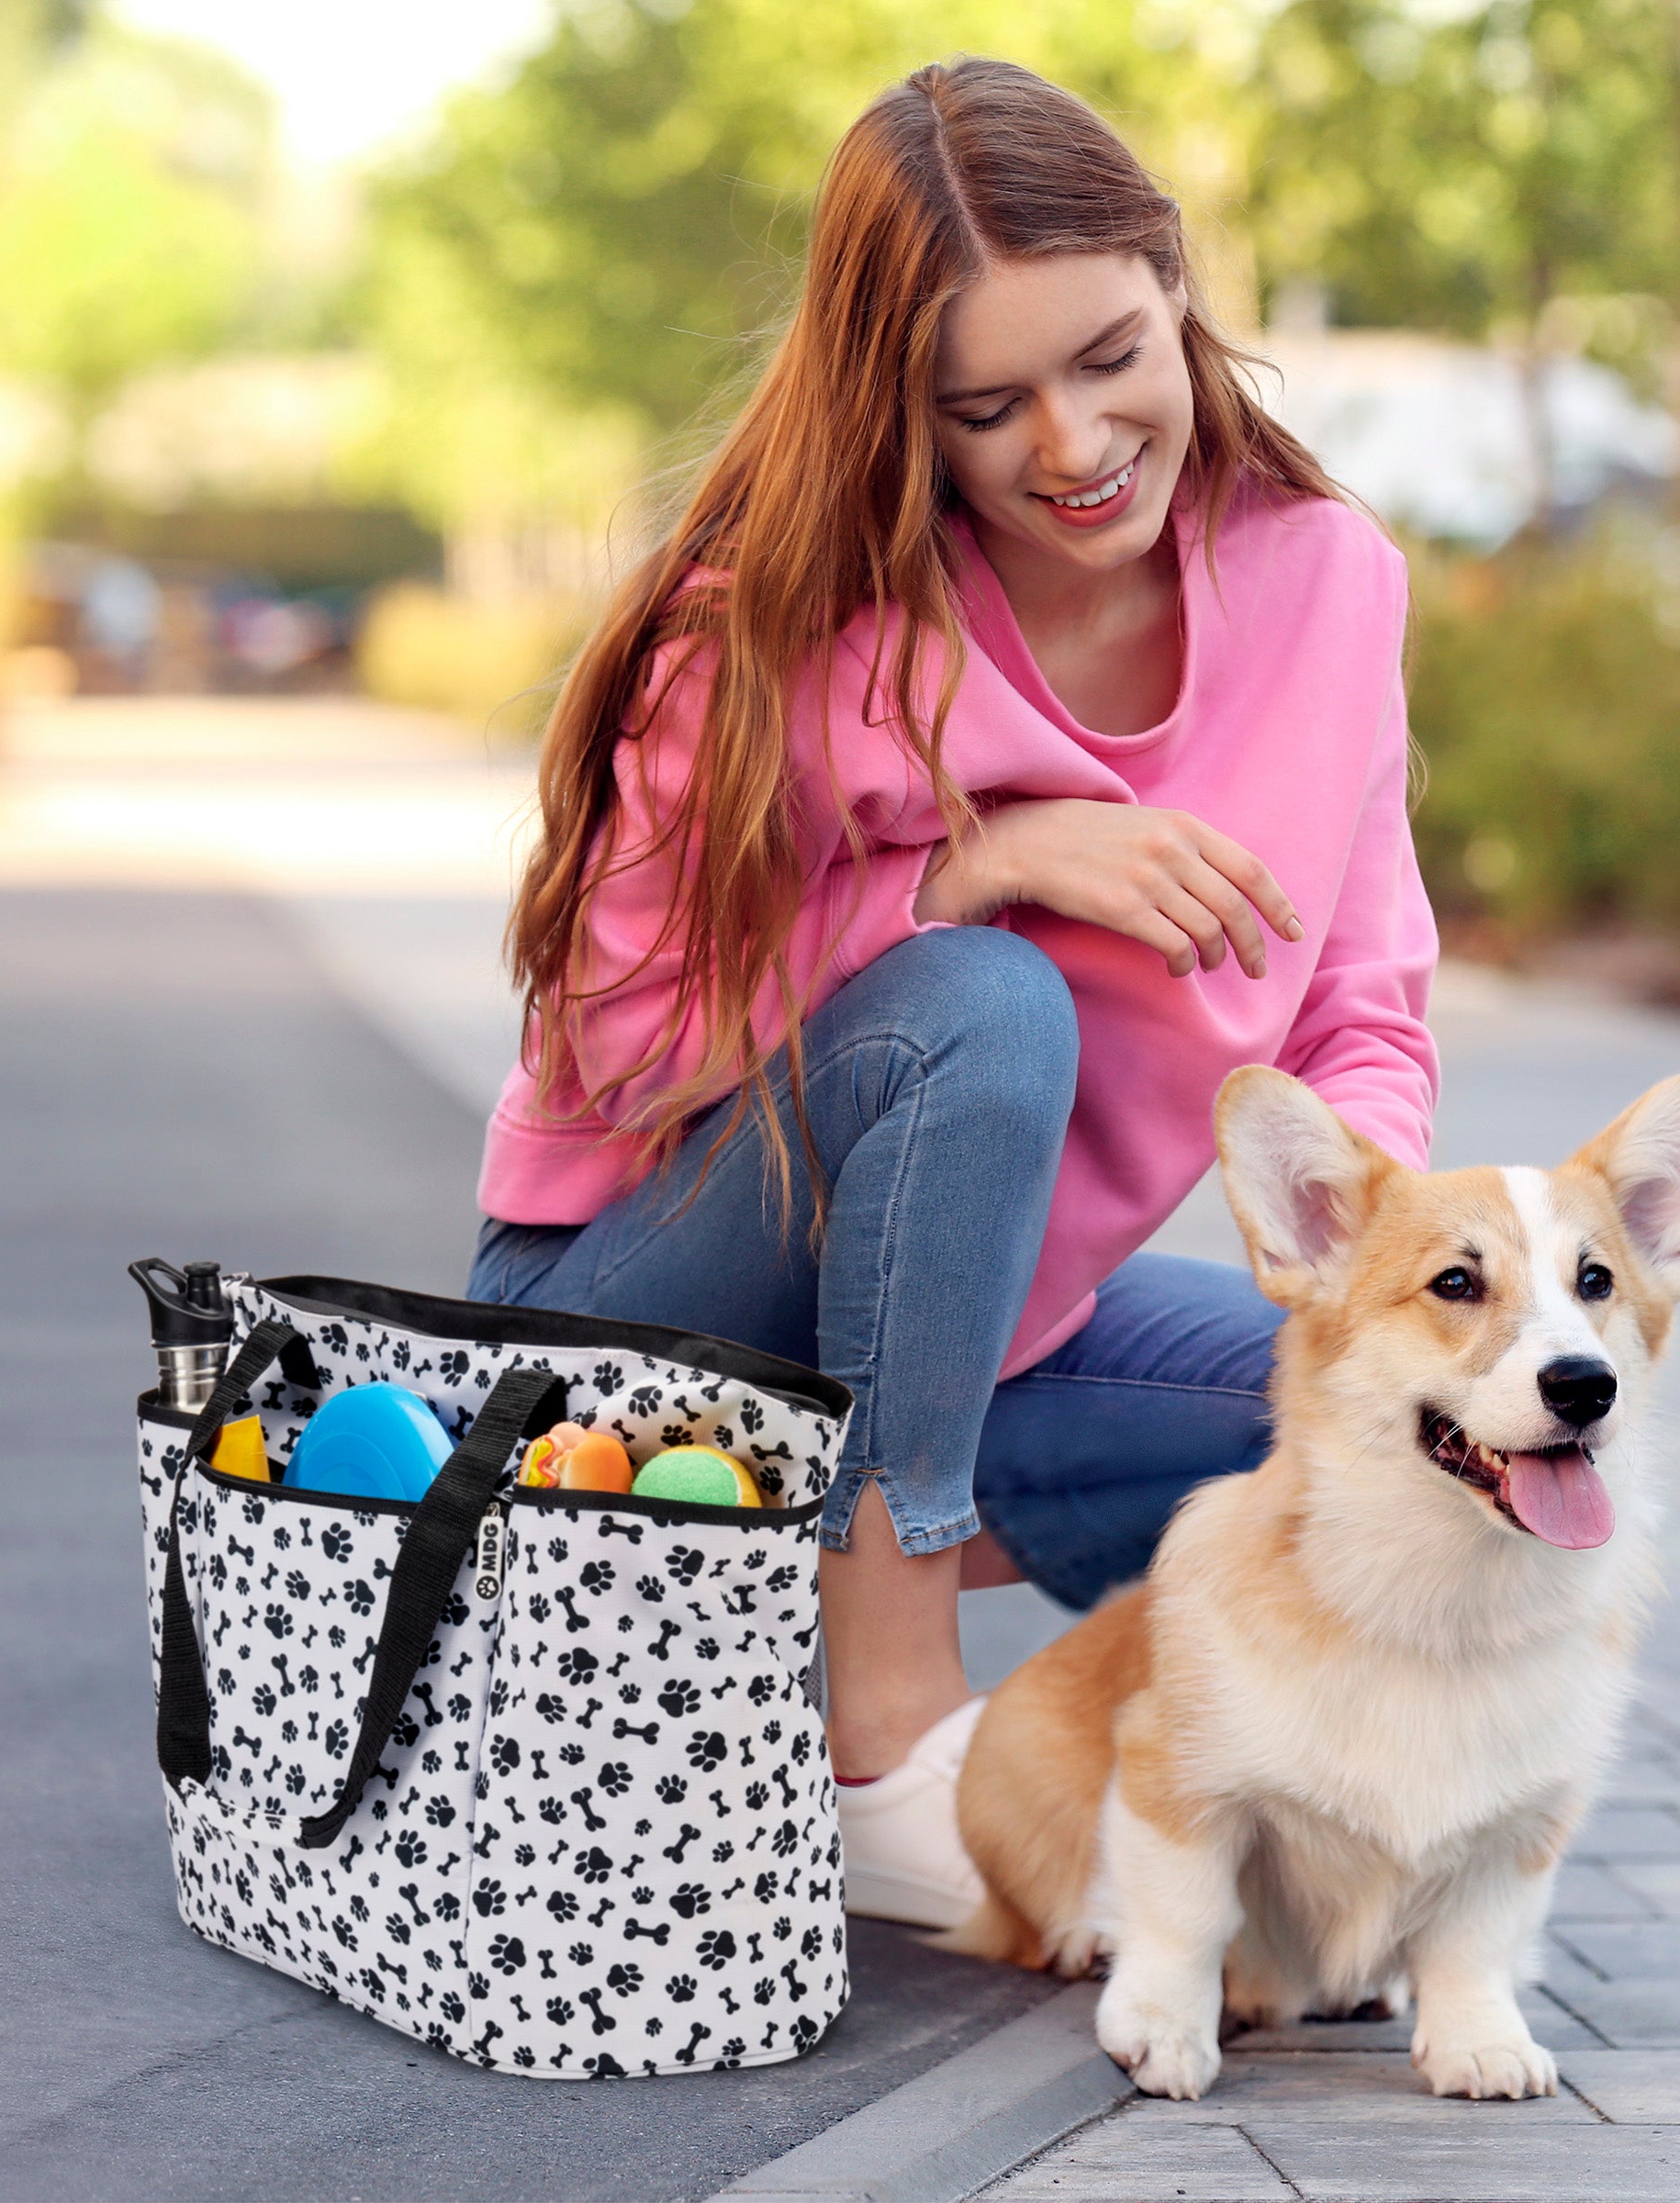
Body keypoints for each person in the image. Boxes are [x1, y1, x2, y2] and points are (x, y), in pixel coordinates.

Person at [468, 56, 1438, 1929]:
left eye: (1108, 357)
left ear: (1175, 285)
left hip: (979, 1324)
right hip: (641, 1307)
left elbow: (1361, 1004)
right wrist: (965, 865)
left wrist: (1370, 1256)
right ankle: (889, 1718)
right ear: (899, 407)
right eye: (984, 406)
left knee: (1405, 1413)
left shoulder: (1327, 585)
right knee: (987, 1006)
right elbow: (622, 1038)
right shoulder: (773, 626)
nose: (1070, 446)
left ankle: (763, 1572)